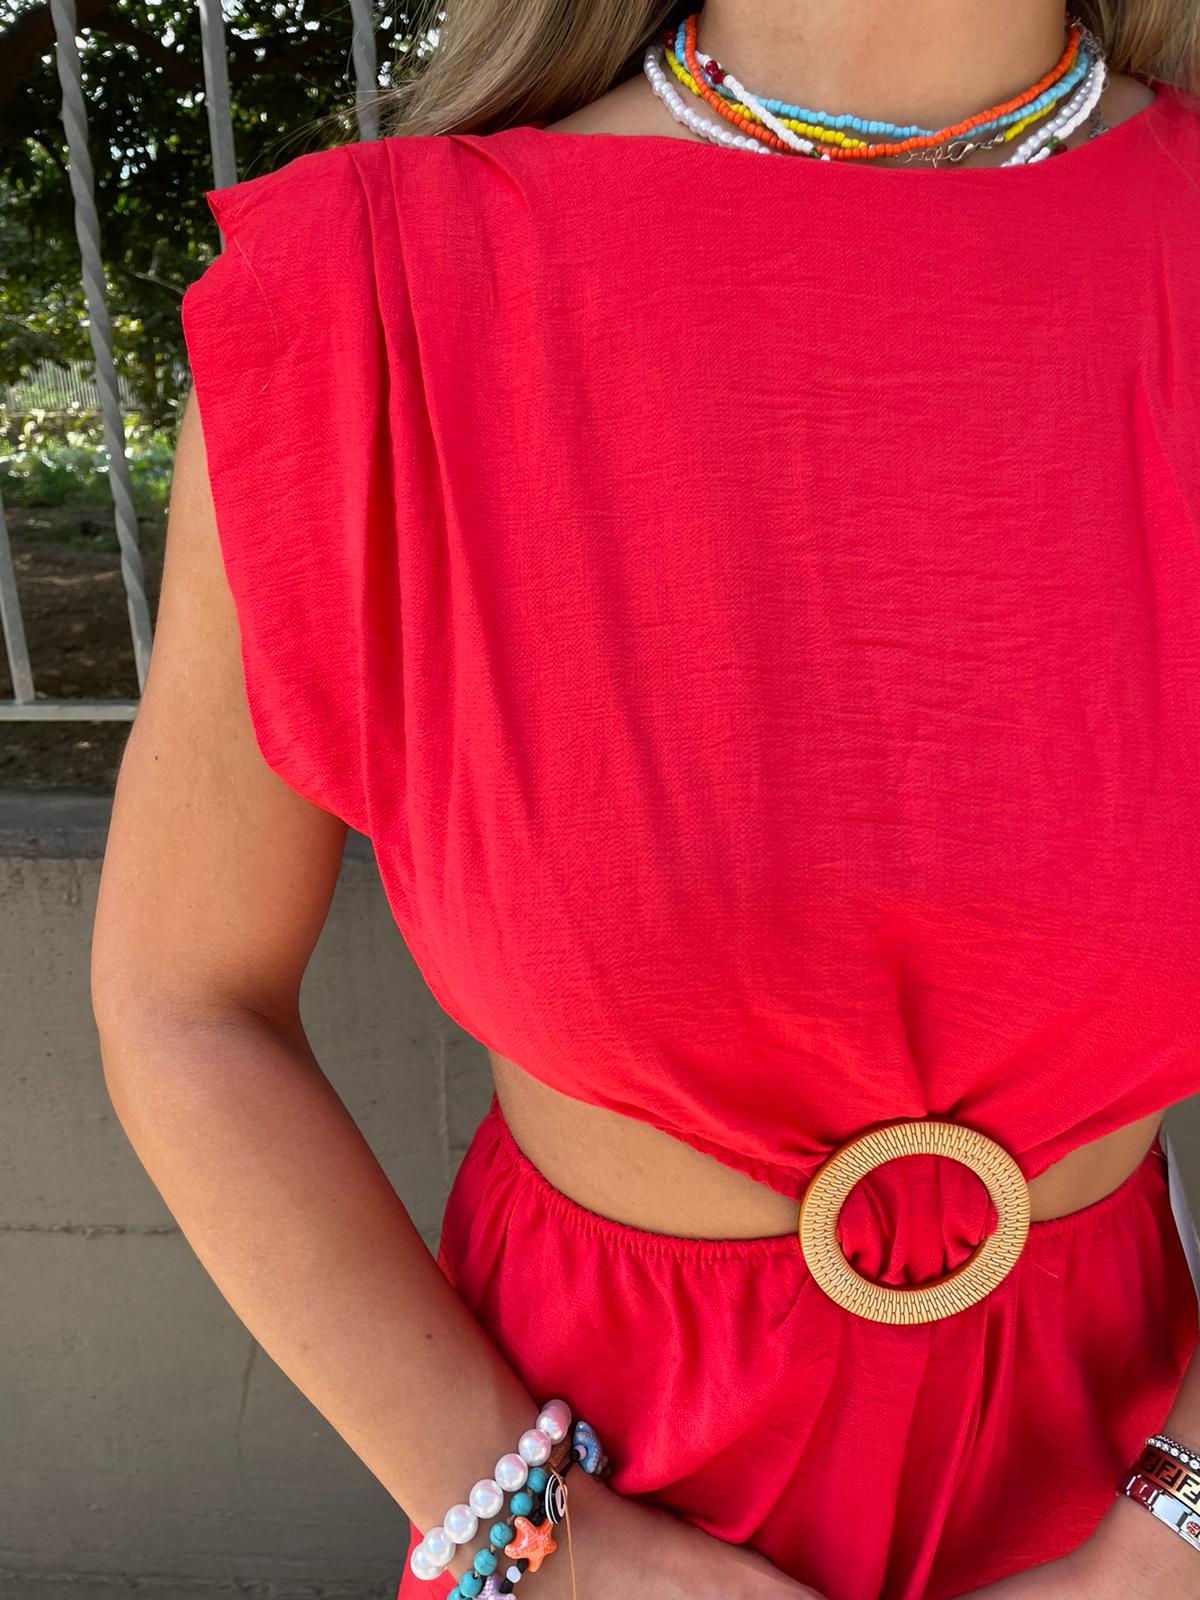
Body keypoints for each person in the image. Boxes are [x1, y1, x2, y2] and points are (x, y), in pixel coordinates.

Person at [91, 3, 1200, 1598]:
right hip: (582, 1496)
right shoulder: (374, 293)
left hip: (1136, 1480)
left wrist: (1166, 1543)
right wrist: (547, 1547)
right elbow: (183, 1003)